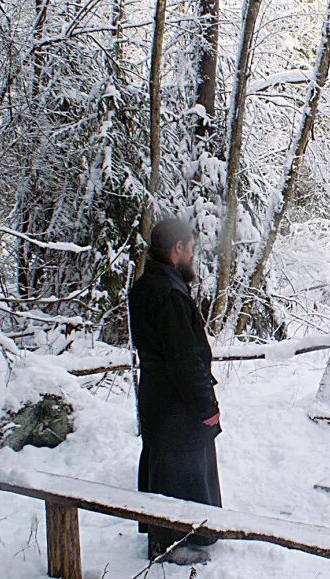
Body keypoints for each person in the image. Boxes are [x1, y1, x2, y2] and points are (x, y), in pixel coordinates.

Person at [128, 218, 222, 566]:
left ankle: (178, 533)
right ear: (177, 248)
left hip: (157, 396)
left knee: (169, 465)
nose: (193, 255)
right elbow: (184, 358)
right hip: (176, 402)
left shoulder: (145, 286)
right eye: (191, 248)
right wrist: (205, 405)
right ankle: (168, 542)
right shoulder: (169, 293)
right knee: (178, 469)